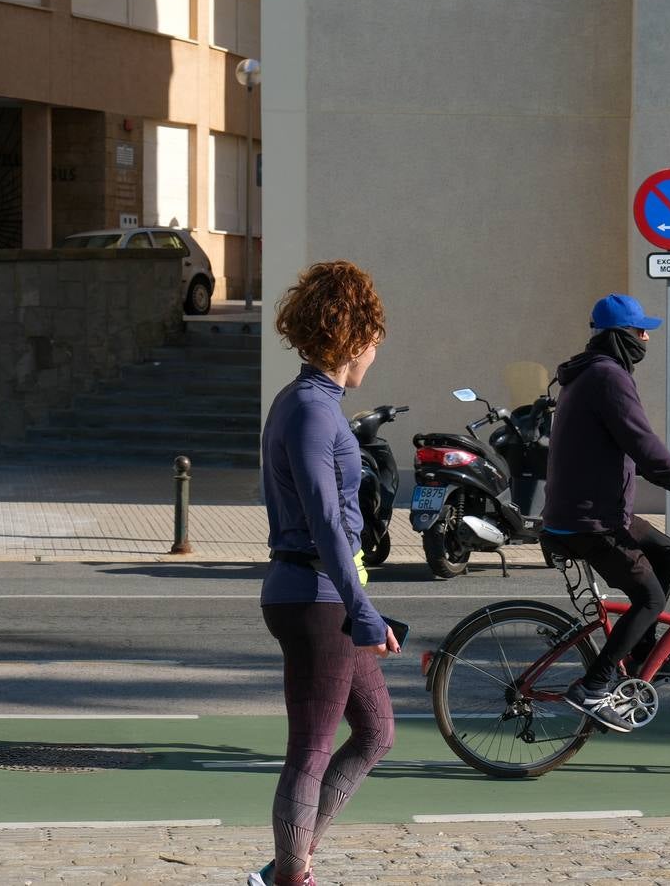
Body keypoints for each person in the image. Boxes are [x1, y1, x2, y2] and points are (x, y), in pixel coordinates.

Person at [250, 261, 400, 886]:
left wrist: (364, 607)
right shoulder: (312, 410)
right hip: (314, 597)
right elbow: (324, 523)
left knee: (376, 732)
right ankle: (289, 878)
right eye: (373, 342)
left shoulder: (309, 403)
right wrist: (361, 611)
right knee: (310, 749)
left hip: (326, 594)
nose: (374, 356)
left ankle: (291, 865)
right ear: (353, 339)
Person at [541, 293, 670, 734]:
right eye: (640, 330)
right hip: (590, 519)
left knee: (668, 554)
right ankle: (594, 687)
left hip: (596, 511)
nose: (646, 337)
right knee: (650, 598)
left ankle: (642, 655)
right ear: (619, 336)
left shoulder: (595, 374)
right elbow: (646, 452)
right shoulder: (607, 378)